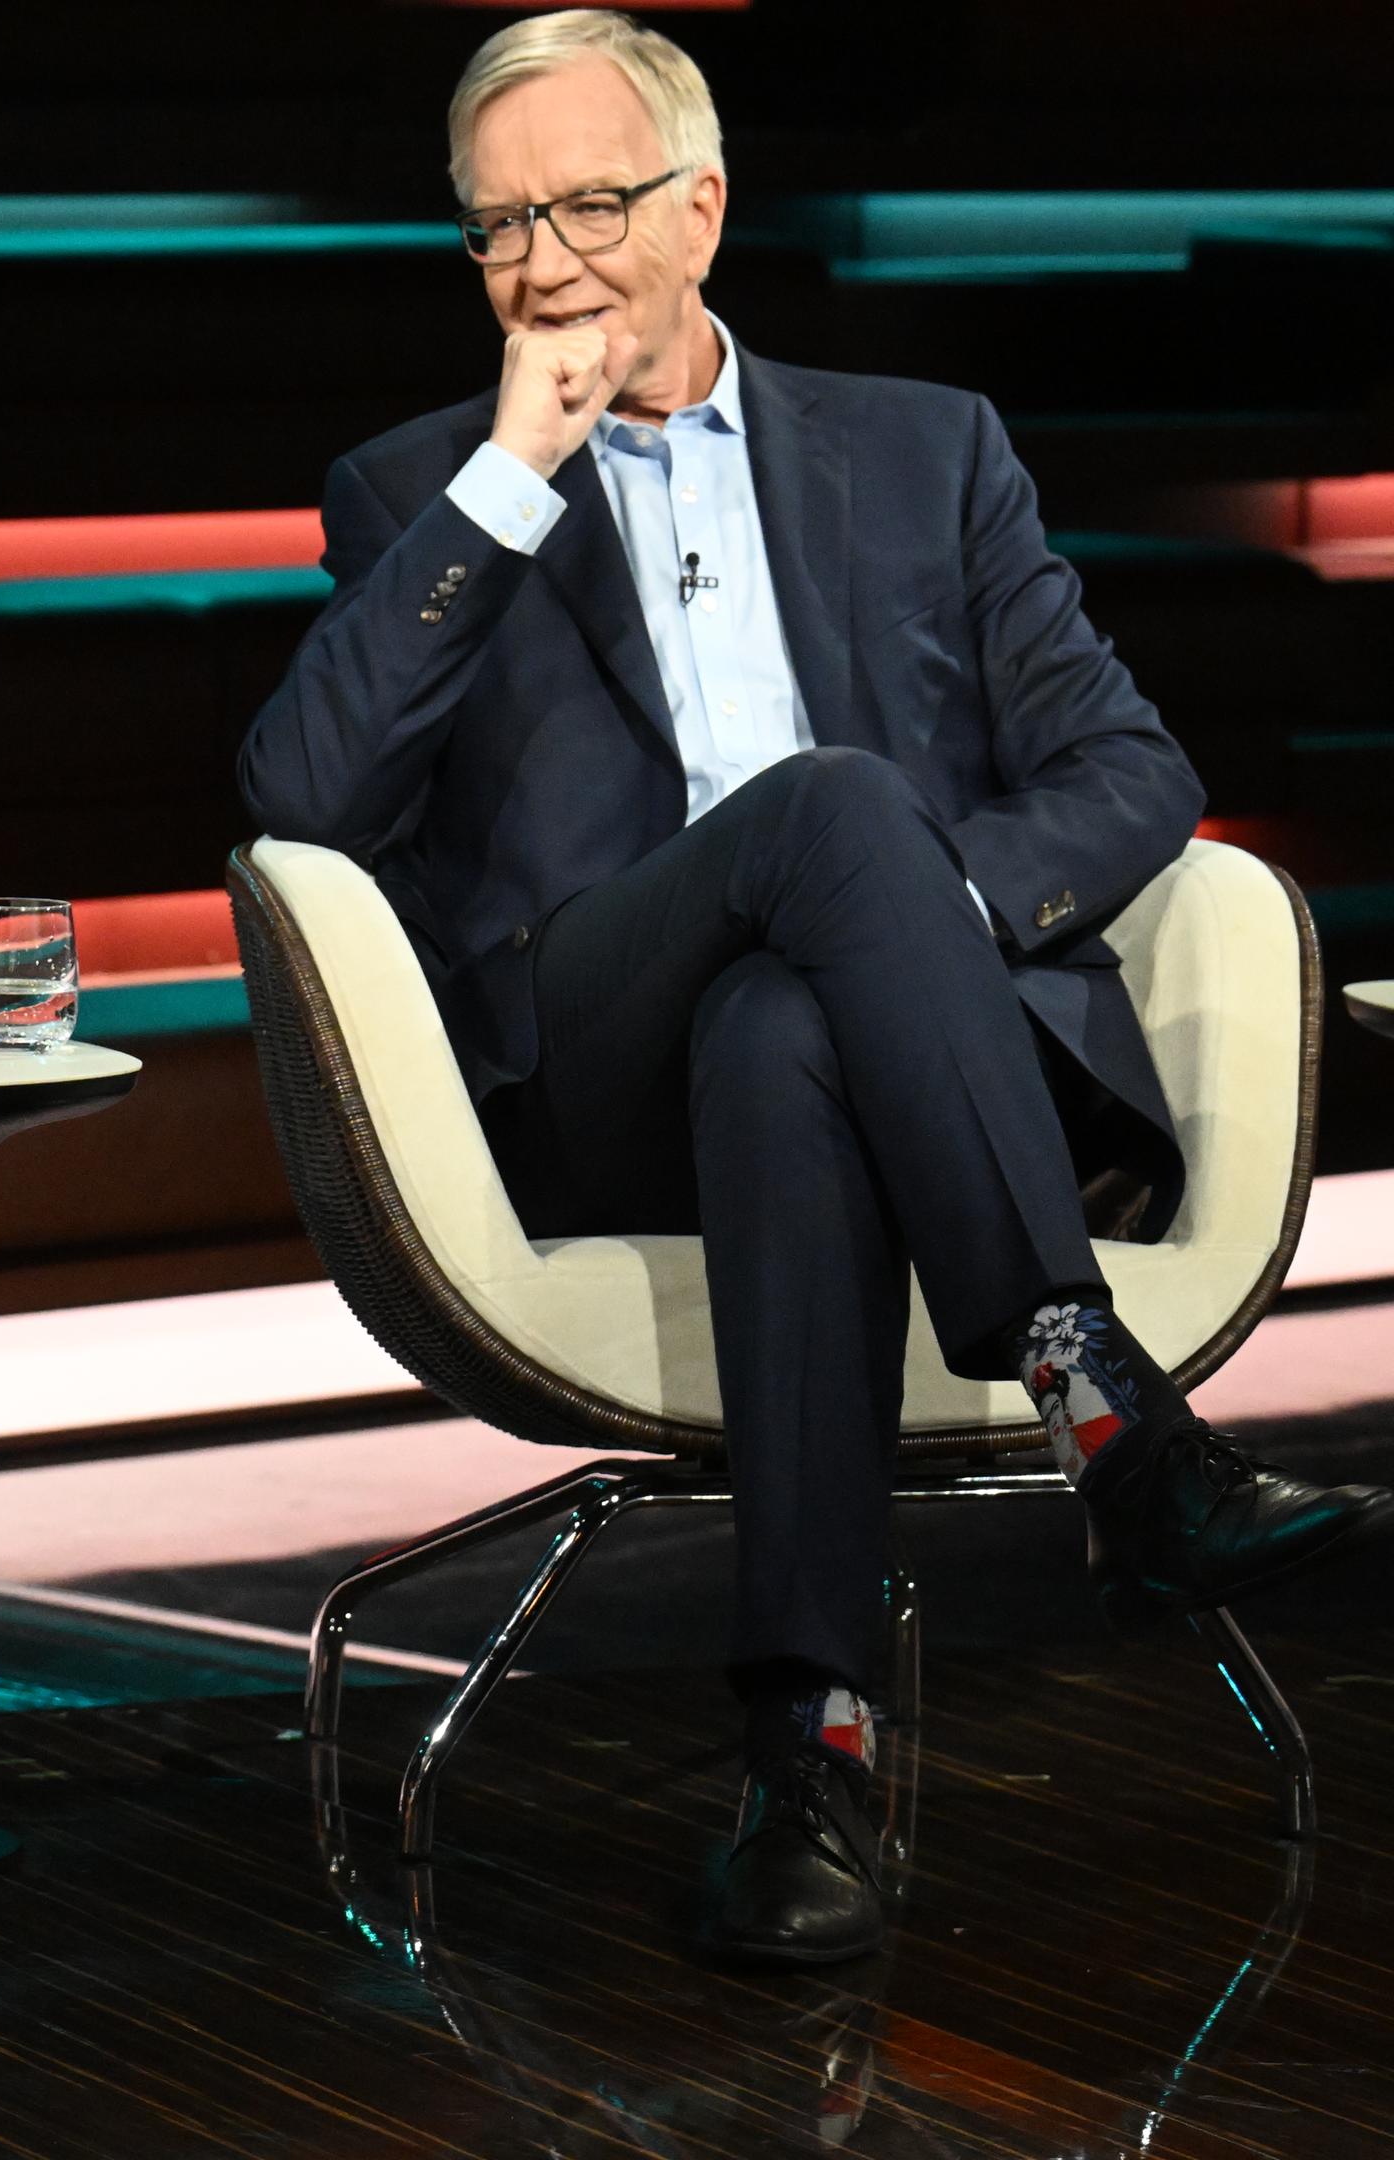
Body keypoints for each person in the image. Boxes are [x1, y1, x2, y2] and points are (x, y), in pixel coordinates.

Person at [240, 7, 1394, 1968]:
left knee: (786, 1022)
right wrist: (514, 479)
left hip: (872, 1069)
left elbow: (1129, 772)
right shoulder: (422, 490)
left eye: (587, 206)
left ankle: (811, 1763)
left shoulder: (925, 450)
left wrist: (915, 922)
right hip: (594, 1071)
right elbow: (302, 800)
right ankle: (1098, 1405)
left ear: (701, 208)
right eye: (498, 224)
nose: (542, 262)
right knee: (833, 811)